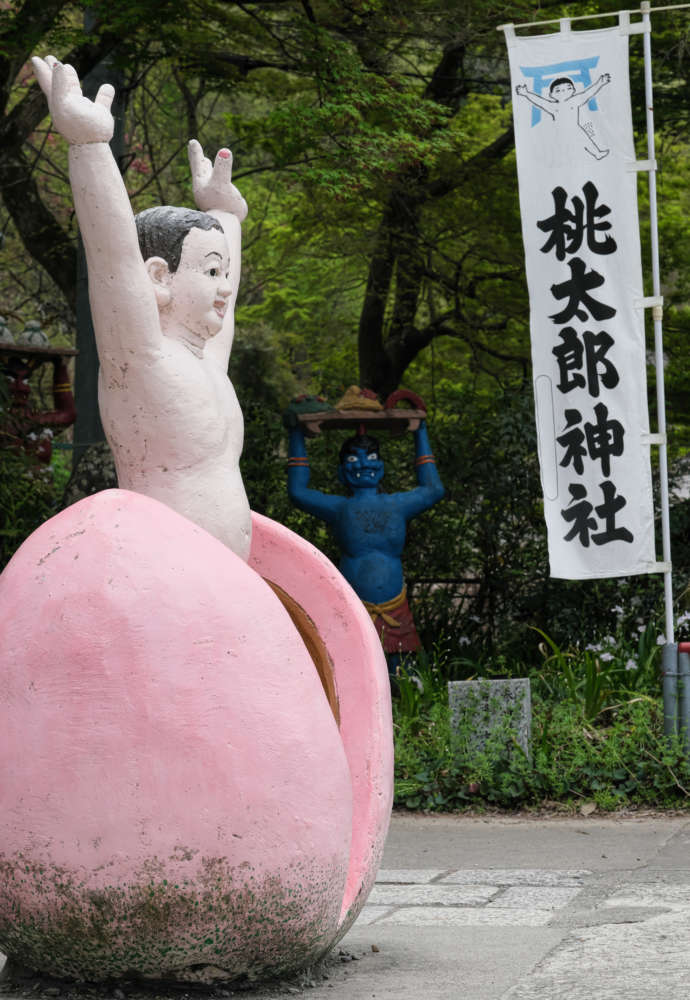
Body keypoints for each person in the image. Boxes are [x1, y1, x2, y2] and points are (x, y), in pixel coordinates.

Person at [32, 56, 252, 559]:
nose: (225, 288)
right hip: (160, 581)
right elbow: (111, 256)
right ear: (158, 277)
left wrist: (225, 212)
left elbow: (229, 293)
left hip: (229, 589)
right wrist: (89, 146)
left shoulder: (206, 360)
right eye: (210, 272)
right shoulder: (142, 357)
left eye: (224, 273)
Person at [286, 415, 444, 674]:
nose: (362, 464)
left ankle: (407, 709)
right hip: (353, 600)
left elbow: (433, 489)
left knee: (402, 669)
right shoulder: (339, 507)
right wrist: (296, 435)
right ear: (341, 470)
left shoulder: (399, 505)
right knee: (354, 665)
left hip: (395, 602)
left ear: (381, 466)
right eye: (352, 459)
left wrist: (420, 432)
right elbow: (298, 493)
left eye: (370, 458)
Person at [515, 73, 611, 160]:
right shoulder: (553, 106)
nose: (563, 92)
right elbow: (540, 102)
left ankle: (597, 153)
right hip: (559, 131)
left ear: (573, 90)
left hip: (575, 128)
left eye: (568, 88)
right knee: (561, 147)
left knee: (586, 141)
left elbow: (587, 94)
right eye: (558, 90)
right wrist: (526, 93)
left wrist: (600, 83)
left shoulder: (575, 100)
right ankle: (558, 160)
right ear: (551, 95)